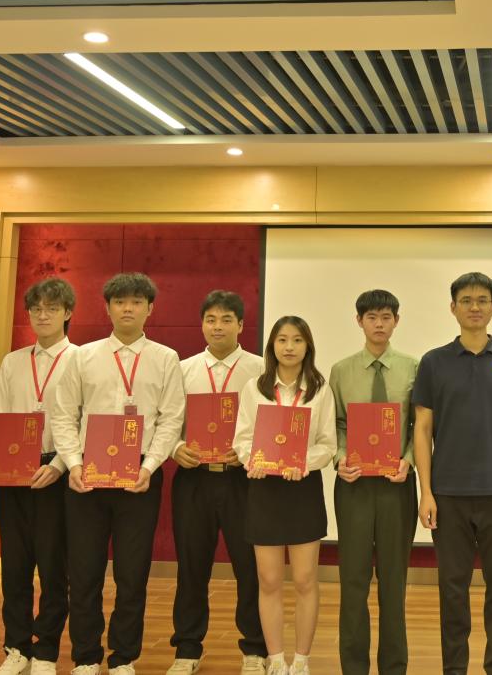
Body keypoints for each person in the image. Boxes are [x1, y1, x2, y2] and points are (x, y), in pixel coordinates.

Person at [50, 273, 186, 675]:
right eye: (120, 302)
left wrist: (149, 466)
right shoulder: (82, 356)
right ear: (107, 308)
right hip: (86, 474)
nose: (128, 308)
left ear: (150, 309)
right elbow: (64, 415)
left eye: (136, 302)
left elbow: (171, 419)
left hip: (139, 475)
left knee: (132, 572)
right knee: (84, 571)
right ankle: (86, 656)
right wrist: (73, 464)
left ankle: (124, 656)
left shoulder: (166, 358)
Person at [412, 272, 492, 675]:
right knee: (452, 589)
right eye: (466, 300)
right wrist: (426, 492)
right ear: (453, 308)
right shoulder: (433, 362)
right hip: (447, 495)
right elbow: (422, 429)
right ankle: (455, 668)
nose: (474, 307)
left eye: (482, 300)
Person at [0, 278, 78, 675]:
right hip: (14, 468)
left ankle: (46, 650)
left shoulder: (82, 359)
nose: (43, 315)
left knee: (54, 566)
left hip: (56, 469)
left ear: (67, 313)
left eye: (52, 308)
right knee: (15, 564)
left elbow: (83, 419)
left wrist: (60, 465)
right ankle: (16, 647)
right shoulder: (13, 361)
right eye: (36, 309)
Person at [167, 290, 267, 675]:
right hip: (193, 480)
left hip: (243, 480)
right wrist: (175, 448)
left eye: (226, 319)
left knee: (249, 567)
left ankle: (255, 649)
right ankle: (187, 649)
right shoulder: (182, 369)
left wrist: (250, 452)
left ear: (241, 325)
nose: (218, 326)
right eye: (211, 319)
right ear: (202, 325)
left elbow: (271, 422)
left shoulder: (260, 369)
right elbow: (167, 420)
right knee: (192, 566)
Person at [232, 317, 337, 675]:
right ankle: (276, 659)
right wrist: (253, 460)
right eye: (282, 340)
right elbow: (242, 439)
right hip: (264, 489)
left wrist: (302, 462)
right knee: (269, 580)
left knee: (305, 579)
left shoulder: (320, 389)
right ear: (272, 346)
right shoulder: (254, 388)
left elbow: (327, 444)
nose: (289, 347)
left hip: (302, 488)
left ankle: (301, 660)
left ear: (308, 346)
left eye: (297, 340)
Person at [329, 289, 420, 675]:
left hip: (397, 484)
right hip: (354, 486)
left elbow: (420, 426)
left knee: (393, 581)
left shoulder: (414, 368)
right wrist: (339, 459)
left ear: (396, 321)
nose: (379, 324)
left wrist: (409, 461)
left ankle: (393, 666)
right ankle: (353, 667)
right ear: (359, 321)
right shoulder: (341, 371)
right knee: (352, 579)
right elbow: (334, 424)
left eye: (386, 317)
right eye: (371, 317)